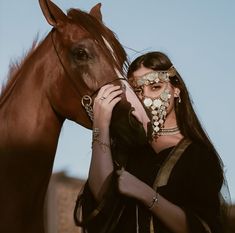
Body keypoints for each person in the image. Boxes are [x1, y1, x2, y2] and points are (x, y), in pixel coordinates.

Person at [74, 51, 228, 233]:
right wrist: (101, 123)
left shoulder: (199, 156)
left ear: (176, 89)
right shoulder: (126, 147)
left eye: (155, 87)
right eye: (137, 91)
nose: (146, 98)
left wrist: (146, 194)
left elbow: (203, 228)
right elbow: (100, 197)